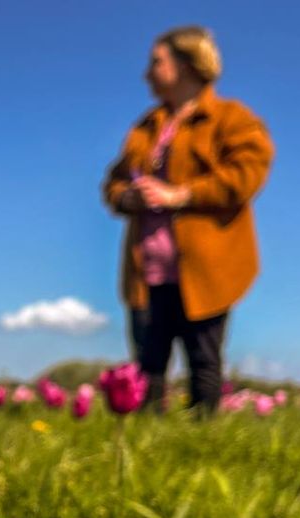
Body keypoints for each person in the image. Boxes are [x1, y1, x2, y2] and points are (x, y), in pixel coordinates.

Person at [102, 25, 274, 413]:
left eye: (156, 62)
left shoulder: (231, 119)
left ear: (186, 64)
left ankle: (202, 448)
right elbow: (112, 182)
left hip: (205, 266)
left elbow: (247, 174)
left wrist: (180, 194)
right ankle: (147, 449)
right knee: (147, 365)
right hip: (147, 267)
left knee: (204, 361)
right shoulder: (146, 128)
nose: (147, 73)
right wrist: (127, 197)